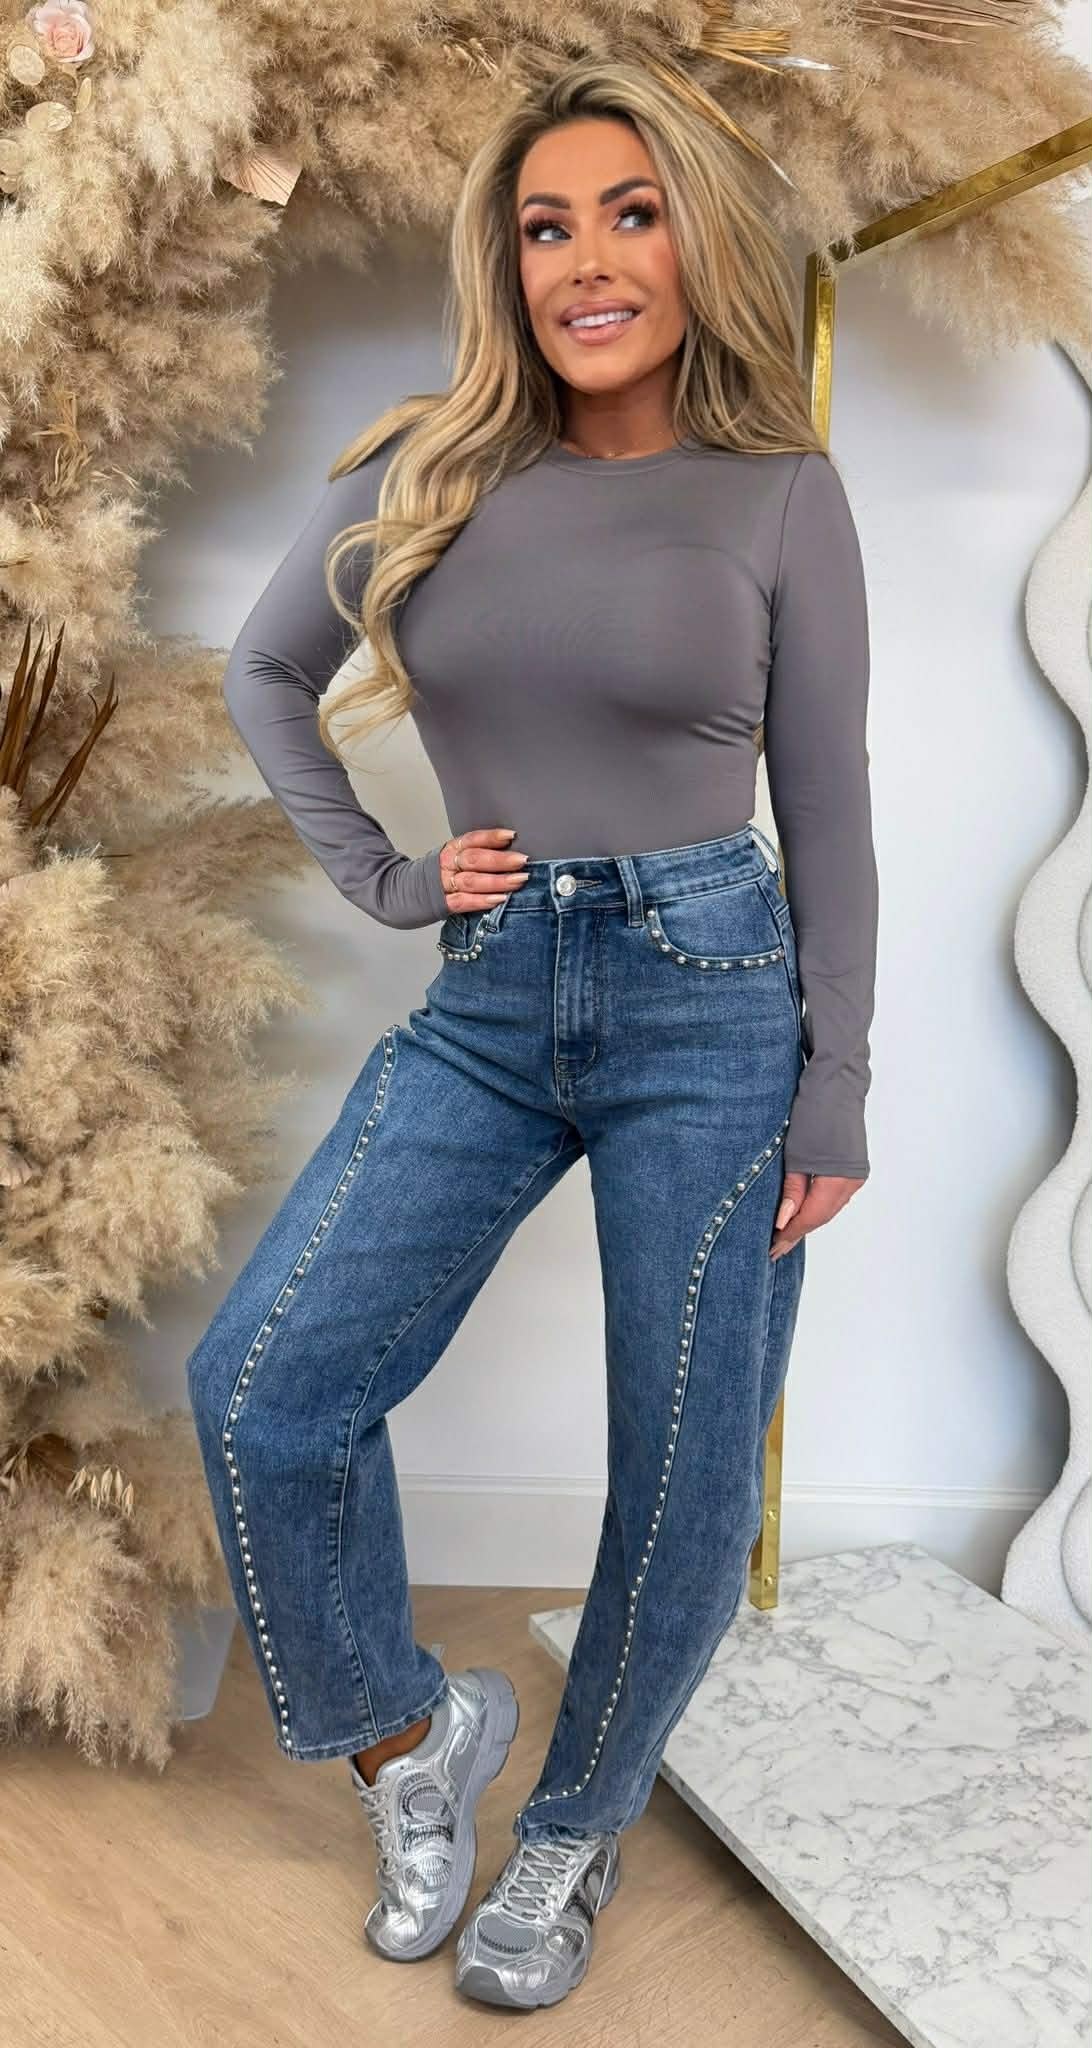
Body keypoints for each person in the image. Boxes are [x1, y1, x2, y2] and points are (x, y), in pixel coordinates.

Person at [185, 52, 878, 2015]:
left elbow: (829, 803)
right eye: (546, 224)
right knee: (262, 1387)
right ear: (507, 263)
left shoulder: (781, 490)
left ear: (695, 243)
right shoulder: (430, 466)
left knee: (681, 1466)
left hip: (717, 1000)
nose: (587, 260)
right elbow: (265, 671)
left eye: (630, 214)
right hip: (493, 995)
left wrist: (837, 1080)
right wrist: (391, 878)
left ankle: (576, 1824)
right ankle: (415, 1739)